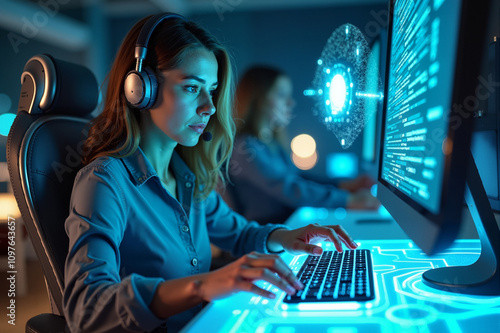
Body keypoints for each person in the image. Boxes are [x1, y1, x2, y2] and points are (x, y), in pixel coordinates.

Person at [63, 14, 359, 333]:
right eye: (192, 87)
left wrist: (285, 238)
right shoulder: (105, 182)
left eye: (212, 90)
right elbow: (87, 308)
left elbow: (241, 234)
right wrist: (201, 286)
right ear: (140, 88)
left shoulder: (188, 177)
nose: (210, 107)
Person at [222, 65, 379, 225]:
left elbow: (297, 177)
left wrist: (346, 185)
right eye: (282, 95)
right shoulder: (246, 148)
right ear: (258, 98)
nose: (291, 102)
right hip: (266, 231)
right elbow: (289, 188)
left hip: (285, 225)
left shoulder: (270, 143)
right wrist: (347, 200)